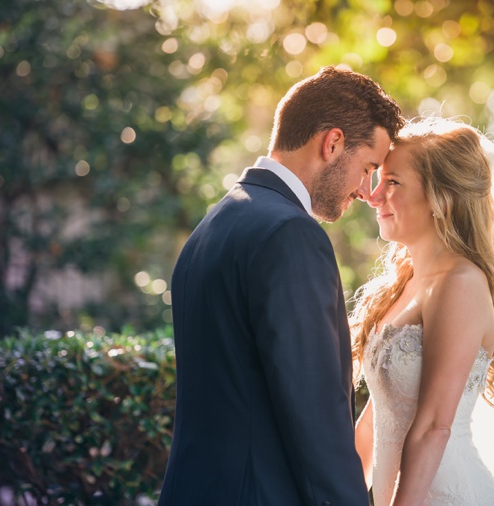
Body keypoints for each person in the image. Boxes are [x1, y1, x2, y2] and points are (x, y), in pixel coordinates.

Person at [158, 66, 404, 505]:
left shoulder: (211, 227)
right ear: (333, 143)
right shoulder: (291, 235)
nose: (366, 192)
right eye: (367, 167)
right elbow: (313, 413)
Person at [351, 117, 494, 505]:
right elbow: (375, 420)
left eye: (393, 182)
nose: (374, 194)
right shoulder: (406, 284)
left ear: (440, 198)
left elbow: (433, 426)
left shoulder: (461, 283)